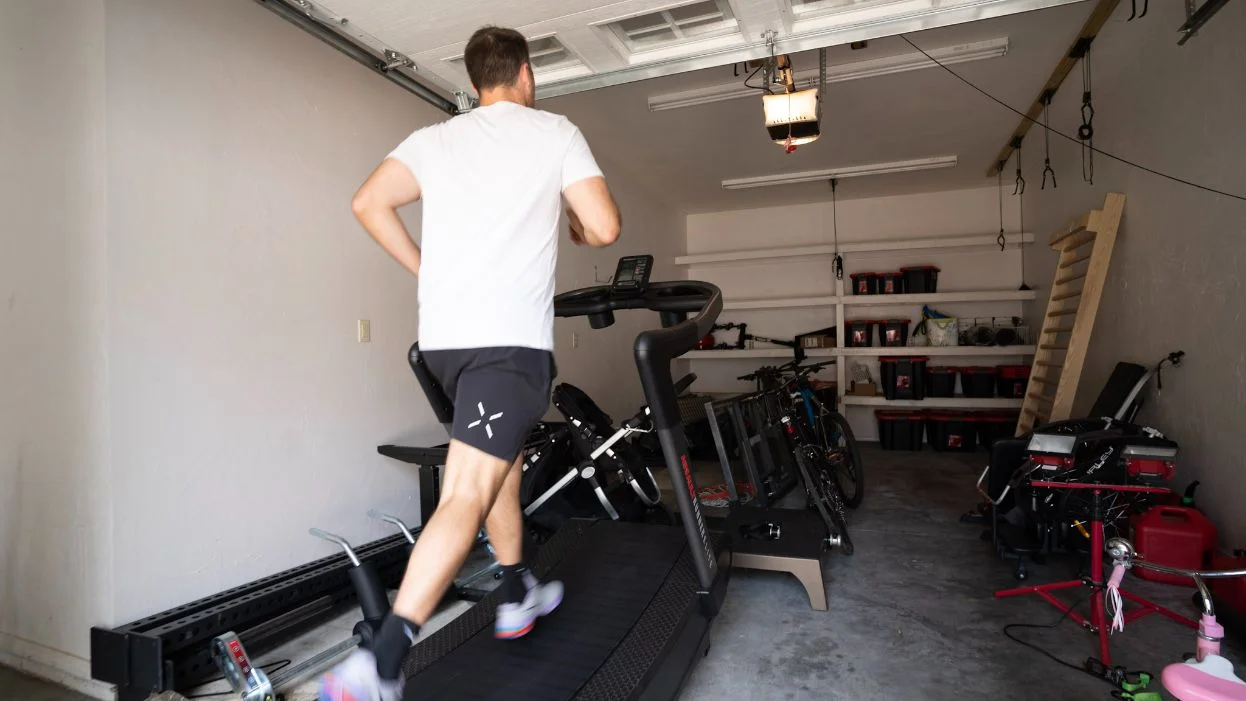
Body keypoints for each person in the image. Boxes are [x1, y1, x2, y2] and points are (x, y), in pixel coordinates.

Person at [317, 25, 621, 701]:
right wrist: (573, 220)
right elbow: (603, 228)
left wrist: (428, 272)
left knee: (500, 470)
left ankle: (516, 590)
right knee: (465, 490)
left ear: (477, 78)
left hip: (449, 346)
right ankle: (383, 660)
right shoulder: (554, 132)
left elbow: (368, 202)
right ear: (526, 74)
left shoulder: (435, 139)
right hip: (504, 345)